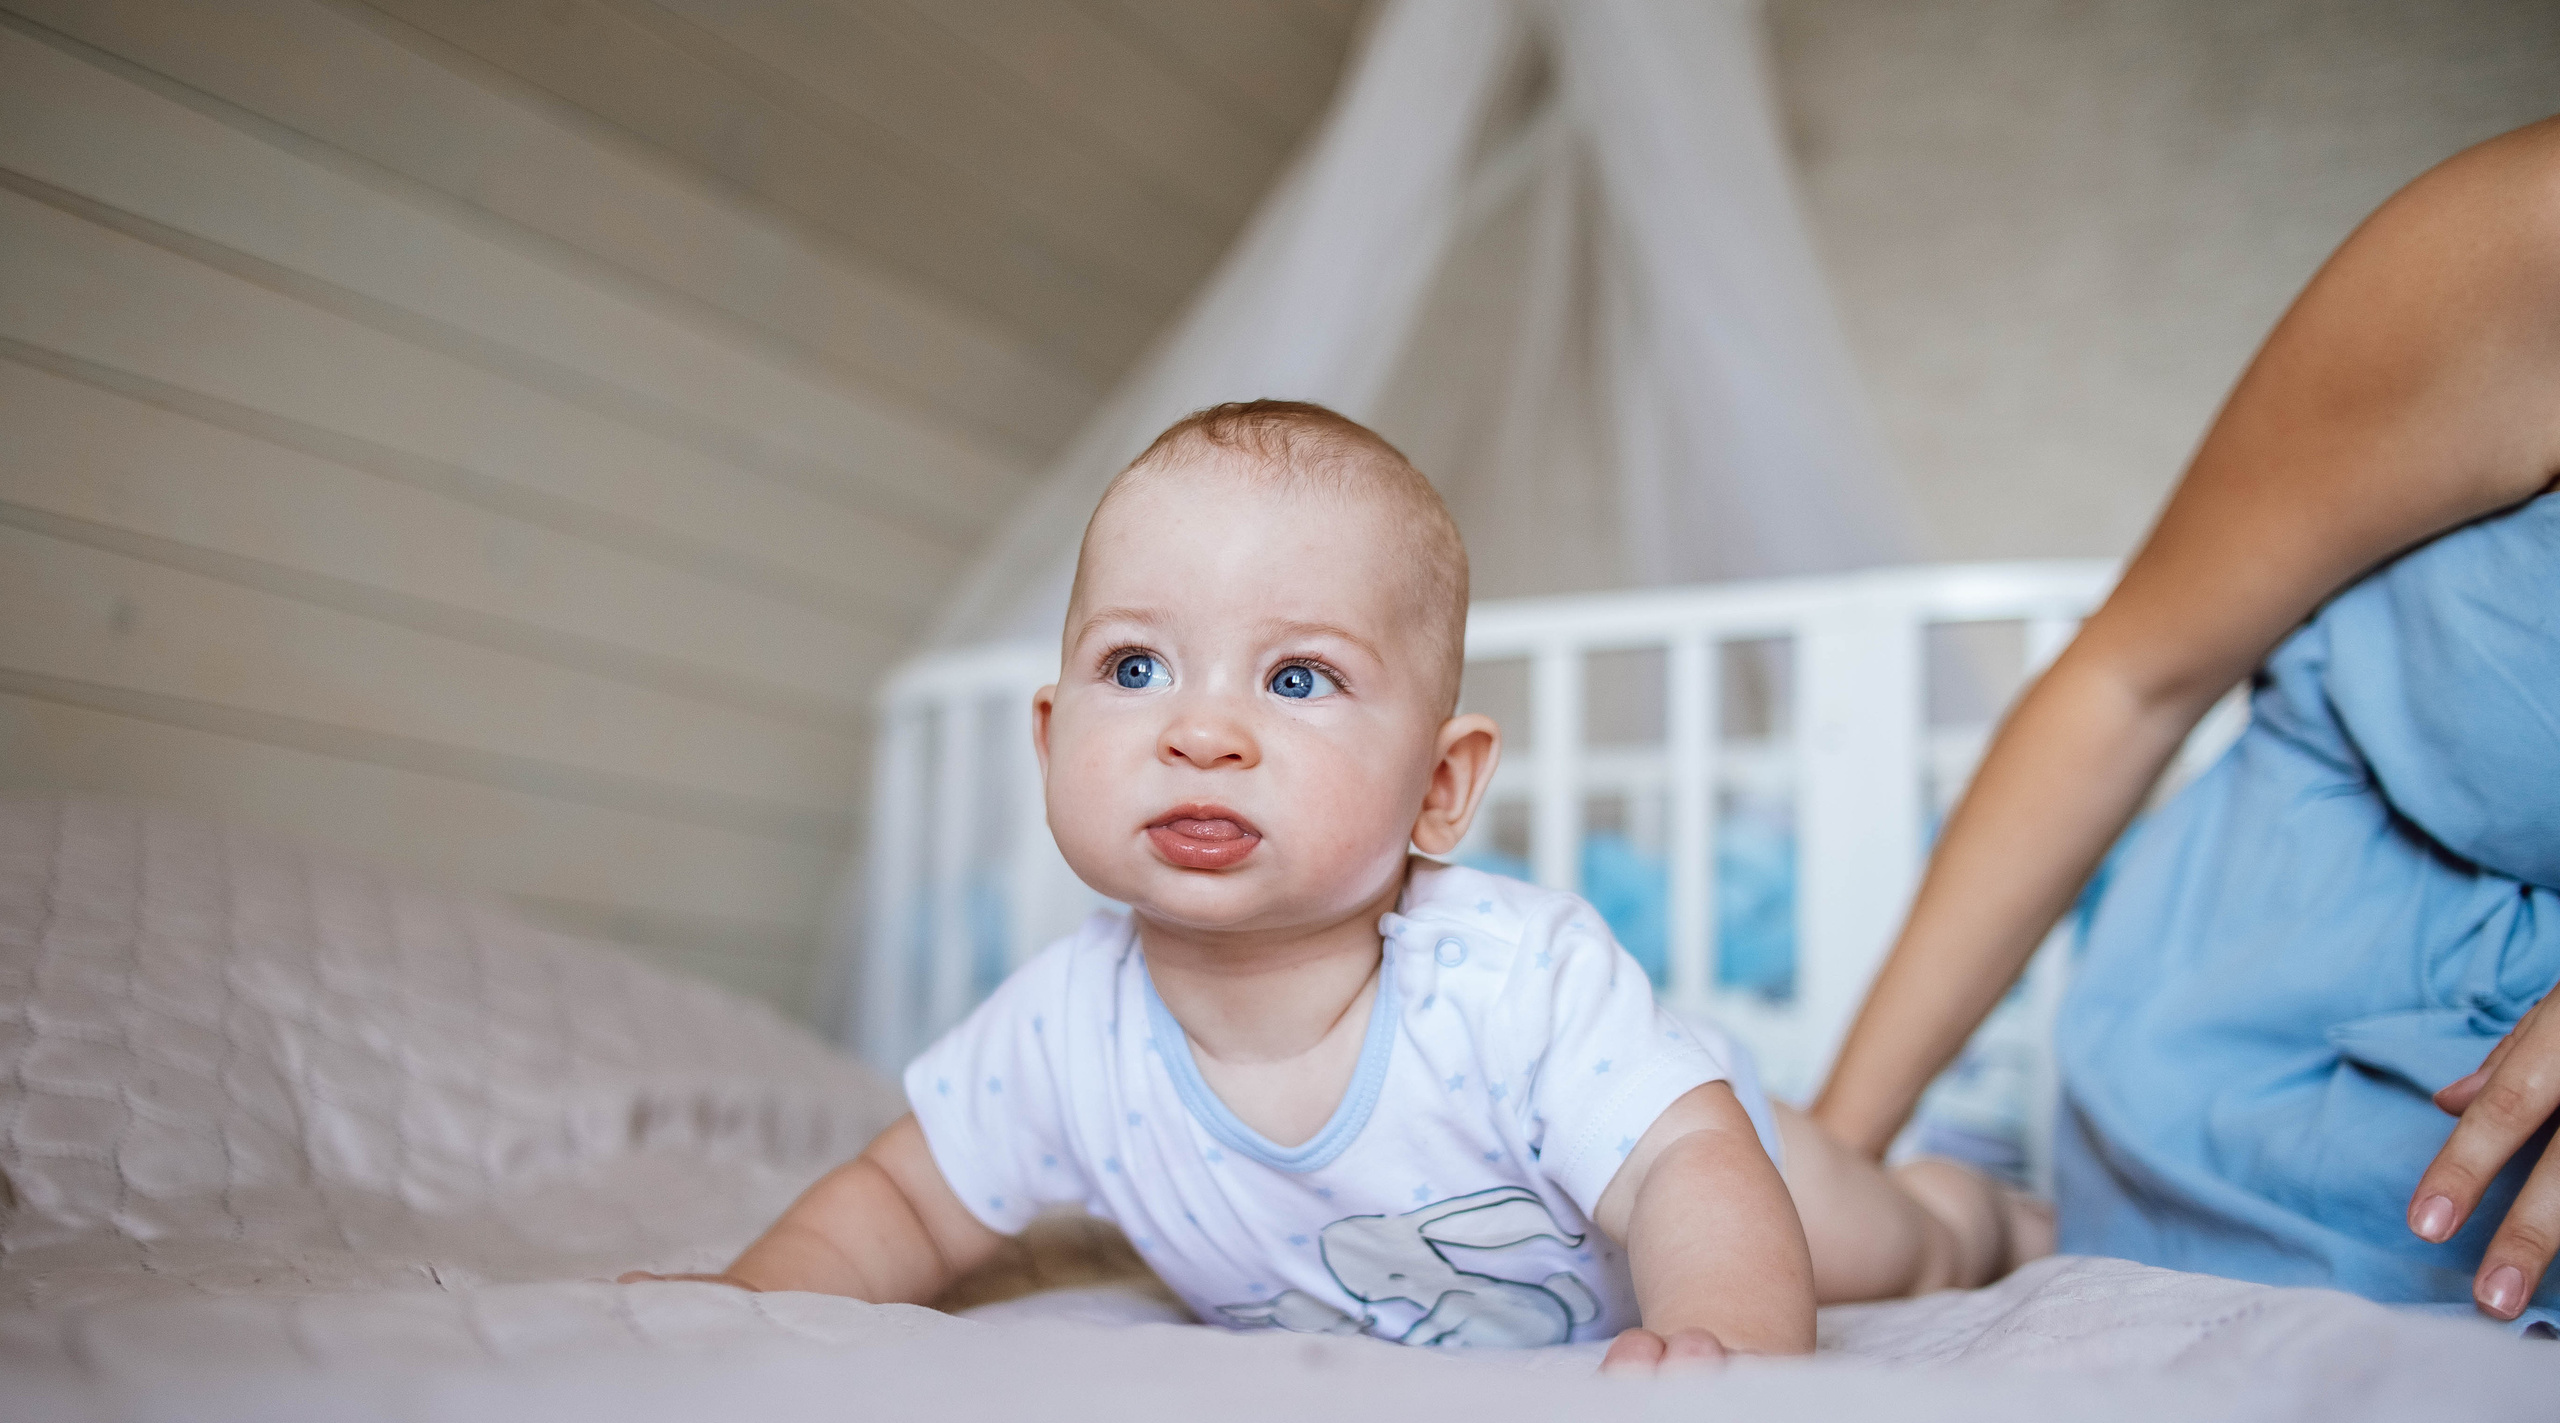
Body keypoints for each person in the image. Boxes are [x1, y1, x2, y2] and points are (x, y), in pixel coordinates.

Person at [628, 400, 2047, 1369]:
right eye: (1136, 666)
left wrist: (1727, 1339)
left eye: (1296, 676)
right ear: (1056, 736)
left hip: (1719, 1158)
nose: (1201, 726)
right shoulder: (1064, 1028)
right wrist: (756, 1303)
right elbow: (905, 1204)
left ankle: (1975, 1203)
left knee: (1883, 1238)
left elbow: (1688, 1164)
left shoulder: (1514, 978)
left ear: (1440, 788)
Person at [1811, 118, 2560, 1328]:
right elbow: (2128, 681)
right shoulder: (2529, 245)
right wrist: (1834, 1152)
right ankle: (1981, 1222)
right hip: (2225, 1111)